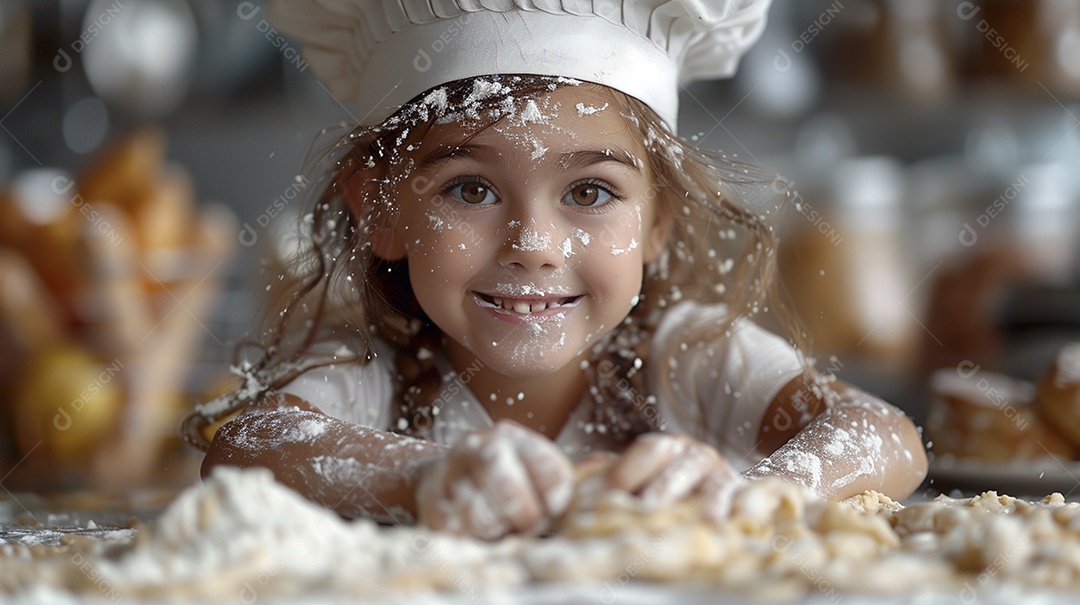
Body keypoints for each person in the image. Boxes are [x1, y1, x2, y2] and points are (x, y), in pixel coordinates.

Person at [183, 0, 927, 540]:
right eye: (470, 188)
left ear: (656, 220)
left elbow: (886, 434)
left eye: (590, 191)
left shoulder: (692, 360)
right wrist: (426, 476)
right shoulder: (370, 375)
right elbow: (248, 443)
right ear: (379, 209)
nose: (534, 243)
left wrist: (765, 492)